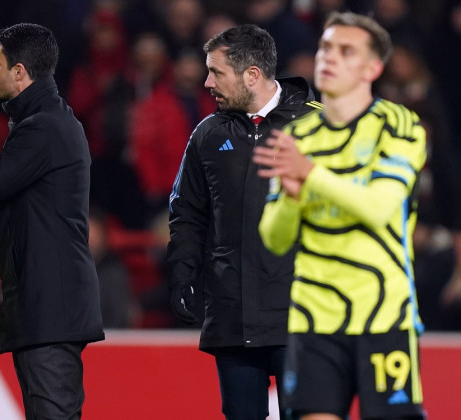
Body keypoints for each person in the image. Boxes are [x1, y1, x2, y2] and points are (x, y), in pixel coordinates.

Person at [254, 12, 426, 419]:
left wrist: (311, 175)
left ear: (373, 68)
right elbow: (274, 238)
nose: (329, 57)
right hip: (314, 316)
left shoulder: (398, 125)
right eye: (326, 47)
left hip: (383, 312)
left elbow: (381, 208)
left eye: (345, 51)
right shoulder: (298, 137)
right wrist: (293, 199)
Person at [0, 23, 105, 419]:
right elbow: (39, 216)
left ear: (19, 72)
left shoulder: (44, 127)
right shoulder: (46, 121)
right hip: (49, 307)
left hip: (50, 309)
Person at [166, 24, 319, 420]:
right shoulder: (207, 134)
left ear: (251, 74)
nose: (206, 82)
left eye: (216, 72)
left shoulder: (320, 127)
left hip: (302, 316)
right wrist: (183, 275)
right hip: (233, 317)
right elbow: (186, 214)